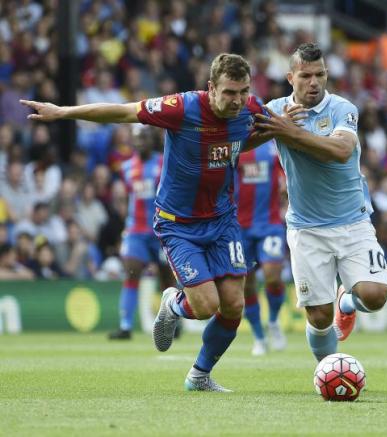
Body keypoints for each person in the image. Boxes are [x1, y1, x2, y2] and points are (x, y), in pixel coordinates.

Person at [21, 53, 279, 392]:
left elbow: (259, 133)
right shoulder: (181, 107)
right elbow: (124, 111)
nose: (237, 100)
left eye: (243, 91)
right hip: (179, 223)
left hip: (223, 220)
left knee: (233, 304)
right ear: (211, 87)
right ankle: (172, 304)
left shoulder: (251, 108)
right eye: (229, 92)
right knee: (205, 307)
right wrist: (65, 112)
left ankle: (199, 375)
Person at [254, 43, 387, 362]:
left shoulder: (343, 109)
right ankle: (328, 371)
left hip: (353, 222)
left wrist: (289, 132)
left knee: (374, 296)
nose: (314, 82)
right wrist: (272, 126)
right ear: (291, 77)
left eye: (320, 74)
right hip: (307, 228)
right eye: (305, 75)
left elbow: (340, 151)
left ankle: (347, 301)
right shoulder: (275, 109)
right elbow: (242, 142)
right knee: (317, 317)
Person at [108, 126, 177, 340]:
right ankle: (125, 326)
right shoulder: (126, 167)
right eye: (137, 139)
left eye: (144, 138)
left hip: (160, 232)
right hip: (136, 231)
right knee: (131, 273)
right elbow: (128, 199)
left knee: (167, 279)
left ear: (151, 140)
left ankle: (173, 321)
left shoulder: (162, 163)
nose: (140, 143)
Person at [235, 138, 288, 356]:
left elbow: (286, 172)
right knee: (246, 284)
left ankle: (273, 321)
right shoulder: (233, 146)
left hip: (270, 224)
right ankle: (258, 336)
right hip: (239, 228)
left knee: (272, 277)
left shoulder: (272, 146)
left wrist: (285, 184)